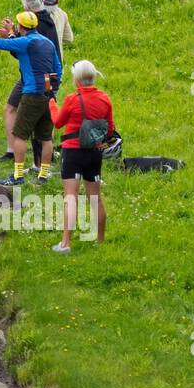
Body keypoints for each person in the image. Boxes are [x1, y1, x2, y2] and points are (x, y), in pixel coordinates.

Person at [0, 9, 62, 188]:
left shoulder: (25, 42)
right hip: (48, 95)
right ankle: (43, 175)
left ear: (21, 27)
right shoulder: (48, 43)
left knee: (20, 135)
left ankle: (18, 175)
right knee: (46, 138)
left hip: (31, 95)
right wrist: (52, 90)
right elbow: (57, 69)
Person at [49, 60, 114, 253]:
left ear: (77, 79)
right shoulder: (104, 98)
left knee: (71, 196)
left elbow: (58, 122)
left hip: (72, 151)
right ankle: (100, 241)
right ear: (94, 77)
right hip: (94, 151)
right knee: (95, 198)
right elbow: (110, 129)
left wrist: (51, 103)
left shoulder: (72, 99)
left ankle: (65, 244)